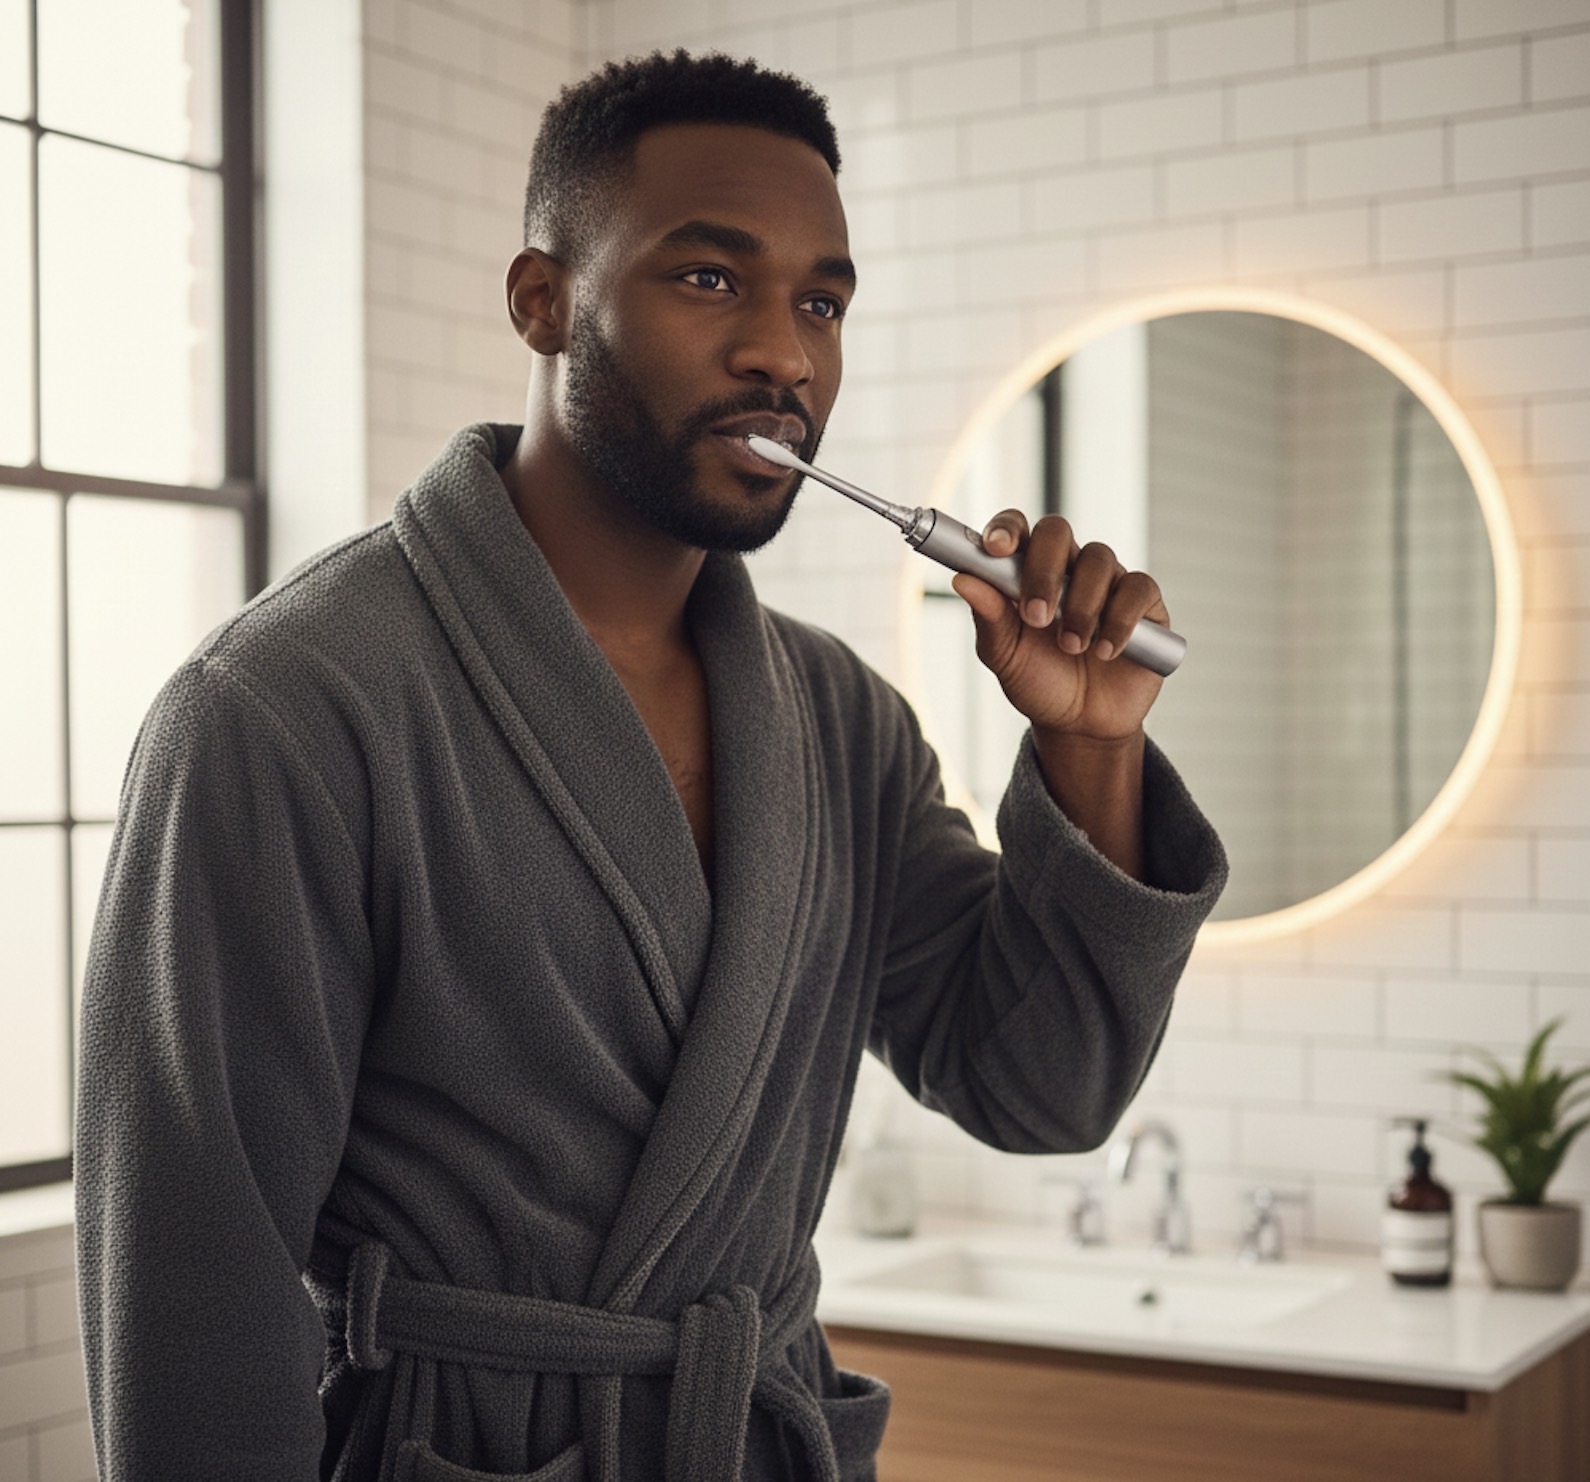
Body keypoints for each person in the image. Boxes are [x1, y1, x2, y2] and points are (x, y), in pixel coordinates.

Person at [73, 50, 1226, 1482]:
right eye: (708, 279)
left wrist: (1090, 748)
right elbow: (196, 1295)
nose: (785, 355)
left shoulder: (842, 725)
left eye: (820, 301)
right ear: (543, 301)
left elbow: (1042, 1088)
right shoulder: (283, 710)